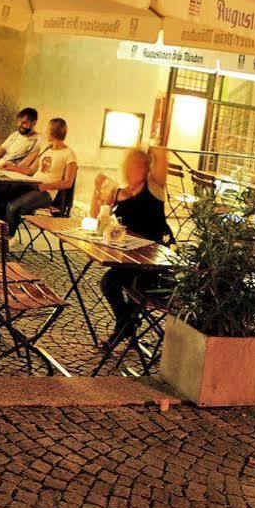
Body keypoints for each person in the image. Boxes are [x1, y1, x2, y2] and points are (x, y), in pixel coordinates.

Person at [92, 147, 175, 354]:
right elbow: (97, 217)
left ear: (147, 168)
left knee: (113, 282)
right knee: (110, 282)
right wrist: (97, 191)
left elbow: (163, 158)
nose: (132, 170)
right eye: (129, 166)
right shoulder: (119, 191)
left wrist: (155, 142)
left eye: (137, 166)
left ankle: (123, 328)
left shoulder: (154, 187)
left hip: (152, 259)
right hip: (127, 255)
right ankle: (127, 324)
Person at [0, 118, 76, 234]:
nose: (45, 133)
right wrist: (13, 167)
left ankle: (8, 236)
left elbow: (68, 182)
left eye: (48, 130)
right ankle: (1, 229)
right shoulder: (46, 149)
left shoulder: (69, 154)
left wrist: (45, 186)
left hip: (46, 192)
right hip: (31, 184)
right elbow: (31, 171)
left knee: (13, 207)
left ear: (53, 132)